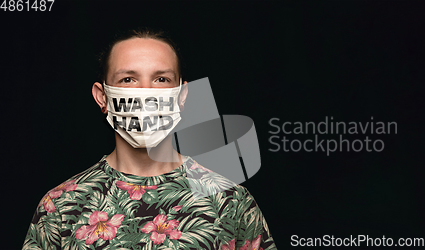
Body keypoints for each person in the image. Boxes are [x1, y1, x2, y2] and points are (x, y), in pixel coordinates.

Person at [22, 28, 277, 250]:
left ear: (182, 96)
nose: (146, 92)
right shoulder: (60, 205)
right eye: (128, 79)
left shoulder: (230, 201)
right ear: (102, 96)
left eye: (161, 79)